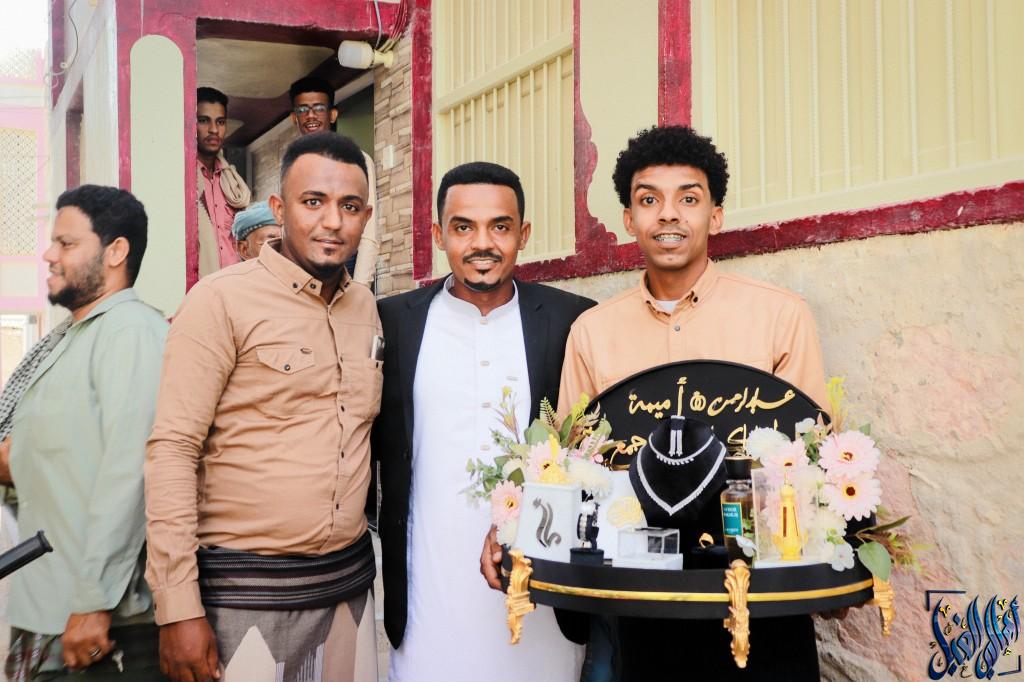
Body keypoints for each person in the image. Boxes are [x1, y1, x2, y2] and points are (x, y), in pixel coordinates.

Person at [560, 125, 827, 680]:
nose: (668, 214)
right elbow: (573, 469)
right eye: (649, 199)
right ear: (628, 219)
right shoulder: (592, 333)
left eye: (688, 198)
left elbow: (812, 461)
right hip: (644, 604)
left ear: (716, 215)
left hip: (764, 604)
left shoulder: (780, 316)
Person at [145, 132, 381, 682]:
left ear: (366, 217)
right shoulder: (219, 301)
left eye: (349, 206)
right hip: (242, 600)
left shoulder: (365, 308)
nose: (332, 222)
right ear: (279, 208)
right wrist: (178, 607)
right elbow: (173, 450)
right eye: (313, 202)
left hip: (346, 593)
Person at [374, 161, 595, 681]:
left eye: (500, 226)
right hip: (428, 586)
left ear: (524, 234)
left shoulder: (571, 319)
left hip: (538, 589)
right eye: (463, 227)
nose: (482, 243)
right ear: (438, 235)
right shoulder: (395, 321)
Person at [2, 185, 168, 681]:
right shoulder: (75, 336)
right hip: (51, 607)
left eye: (66, 243)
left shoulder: (130, 332)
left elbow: (130, 474)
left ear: (116, 252)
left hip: (98, 621)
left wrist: (94, 601)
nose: (49, 255)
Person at [289, 76, 379, 287]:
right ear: (294, 117)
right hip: (300, 273)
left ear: (332, 114)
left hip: (344, 266)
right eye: (303, 110)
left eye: (319, 108)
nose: (311, 115)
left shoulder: (356, 160)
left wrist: (360, 286)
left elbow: (368, 230)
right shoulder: (291, 165)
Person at [196, 86, 251, 278]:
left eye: (220, 122)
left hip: (234, 285)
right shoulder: (184, 182)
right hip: (198, 287)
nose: (213, 130)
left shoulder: (233, 182)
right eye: (204, 120)